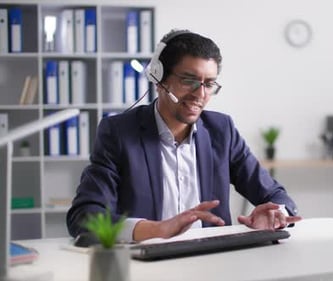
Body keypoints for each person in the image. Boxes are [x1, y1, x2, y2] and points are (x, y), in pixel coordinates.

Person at [66, 29, 301, 242]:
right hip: (147, 265)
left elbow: (275, 194)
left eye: (209, 84)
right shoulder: (118, 133)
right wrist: (156, 230)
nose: (200, 94)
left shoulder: (222, 130)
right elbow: (85, 217)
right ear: (158, 78)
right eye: (189, 80)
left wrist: (275, 214)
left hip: (213, 262)